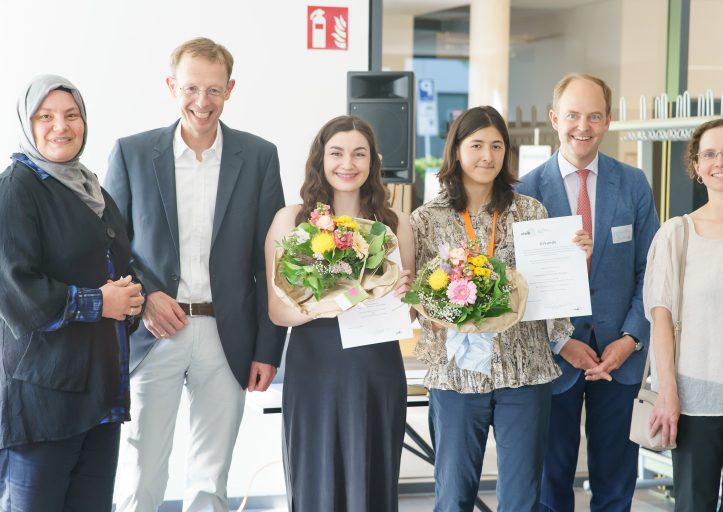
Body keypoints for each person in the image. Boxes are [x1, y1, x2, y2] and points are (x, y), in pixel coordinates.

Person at [103, 38, 287, 511]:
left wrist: (268, 349)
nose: (202, 102)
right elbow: (109, 247)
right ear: (171, 86)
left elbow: (271, 261)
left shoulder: (259, 156)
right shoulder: (131, 153)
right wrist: (144, 297)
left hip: (227, 335)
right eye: (190, 88)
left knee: (211, 478)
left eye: (214, 90)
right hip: (153, 333)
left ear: (230, 89)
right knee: (141, 474)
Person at [411, 105, 591, 511]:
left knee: (522, 498)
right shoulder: (426, 219)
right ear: (456, 150)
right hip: (457, 375)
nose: (487, 156)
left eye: (497, 146)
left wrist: (573, 261)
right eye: (476, 145)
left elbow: (549, 292)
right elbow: (418, 299)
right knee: (453, 497)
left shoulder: (530, 211)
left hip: (524, 371)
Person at [0, 75, 144, 511]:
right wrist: (101, 302)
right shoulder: (17, 189)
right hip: (44, 401)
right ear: (28, 124)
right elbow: (16, 294)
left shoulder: (89, 187)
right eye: (45, 116)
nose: (60, 126)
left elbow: (117, 265)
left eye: (71, 115)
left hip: (98, 396)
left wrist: (132, 301)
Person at [516, 73, 659, 512]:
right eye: (573, 115)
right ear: (554, 118)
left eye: (594, 116)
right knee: (550, 485)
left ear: (608, 121)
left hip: (620, 356)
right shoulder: (524, 191)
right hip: (552, 358)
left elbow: (651, 271)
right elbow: (517, 285)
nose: (583, 126)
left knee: (616, 484)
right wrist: (561, 341)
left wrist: (631, 339)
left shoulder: (633, 183)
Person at [265, 115, 415, 512]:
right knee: (316, 477)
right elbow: (278, 311)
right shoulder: (291, 220)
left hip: (376, 367)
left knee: (373, 477)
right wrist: (334, 296)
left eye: (359, 154)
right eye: (336, 153)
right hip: (315, 367)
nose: (347, 164)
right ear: (321, 159)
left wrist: (407, 297)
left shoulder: (395, 224)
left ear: (373, 162)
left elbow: (409, 313)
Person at [645, 118, 723, 511]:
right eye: (710, 154)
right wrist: (667, 391)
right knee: (692, 505)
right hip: (694, 398)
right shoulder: (677, 234)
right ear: (696, 166)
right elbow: (661, 320)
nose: (721, 162)